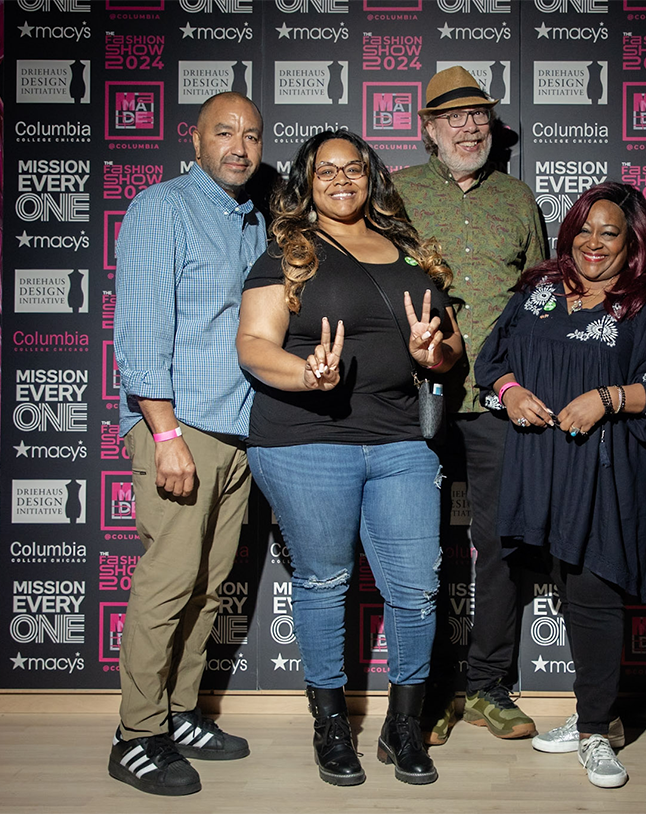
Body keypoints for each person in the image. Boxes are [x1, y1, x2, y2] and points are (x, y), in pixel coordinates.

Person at [236, 130, 464, 787]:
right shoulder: (292, 252)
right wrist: (307, 373)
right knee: (324, 583)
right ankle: (331, 727)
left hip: (400, 443)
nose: (341, 179)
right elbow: (253, 344)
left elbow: (445, 351)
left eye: (353, 169)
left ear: (372, 178)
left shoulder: (410, 251)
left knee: (417, 589)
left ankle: (403, 728)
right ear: (308, 181)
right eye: (326, 170)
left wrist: (434, 354)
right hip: (306, 442)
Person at [475, 183, 646, 788]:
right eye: (585, 229)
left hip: (606, 471)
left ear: (632, 245)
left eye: (611, 233)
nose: (594, 243)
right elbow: (491, 361)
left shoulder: (644, 303)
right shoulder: (537, 290)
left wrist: (607, 398)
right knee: (572, 594)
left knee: (597, 592)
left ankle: (597, 731)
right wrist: (511, 392)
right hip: (542, 469)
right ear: (568, 231)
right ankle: (591, 715)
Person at [108, 91, 266, 796]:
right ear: (194, 139)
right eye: (224, 132)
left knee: (208, 590)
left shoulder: (255, 222)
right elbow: (141, 333)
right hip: (182, 428)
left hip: (237, 434)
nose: (239, 146)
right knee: (168, 584)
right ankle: (136, 735)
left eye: (252, 135)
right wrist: (164, 433)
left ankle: (179, 712)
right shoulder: (162, 208)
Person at [393, 65, 548, 745]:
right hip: (410, 400)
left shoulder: (518, 200)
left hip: (495, 403)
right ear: (428, 129)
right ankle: (424, 697)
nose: (469, 126)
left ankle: (487, 687)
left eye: (479, 115)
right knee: (413, 550)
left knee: (501, 547)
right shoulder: (393, 195)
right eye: (452, 117)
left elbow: (543, 303)